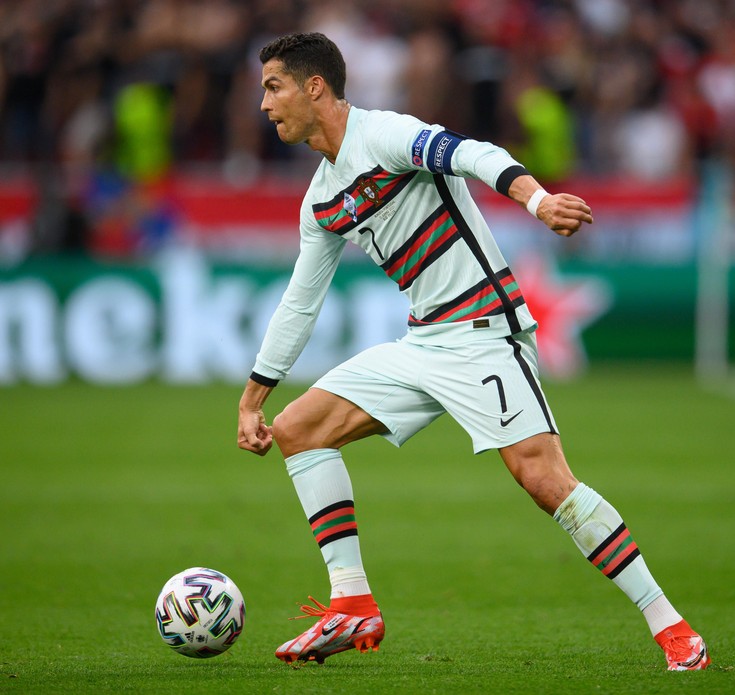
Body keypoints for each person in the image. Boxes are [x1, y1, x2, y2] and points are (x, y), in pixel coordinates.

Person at [237, 32, 710, 672]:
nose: (264, 104)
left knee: (544, 480)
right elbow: (301, 301)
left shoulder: (384, 136)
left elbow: (473, 153)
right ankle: (352, 602)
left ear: (314, 86)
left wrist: (537, 200)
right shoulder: (321, 198)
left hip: (485, 330)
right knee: (300, 429)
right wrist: (253, 399)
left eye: (273, 86)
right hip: (425, 339)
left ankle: (671, 626)